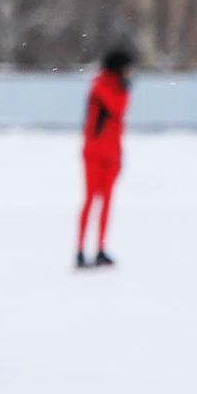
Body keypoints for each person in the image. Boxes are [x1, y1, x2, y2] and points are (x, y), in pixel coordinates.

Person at [76, 46, 135, 269]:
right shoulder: (100, 86)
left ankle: (100, 248)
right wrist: (123, 89)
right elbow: (116, 108)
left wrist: (119, 156)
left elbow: (120, 117)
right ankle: (80, 250)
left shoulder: (118, 88)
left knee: (107, 202)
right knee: (91, 200)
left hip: (111, 154)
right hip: (94, 154)